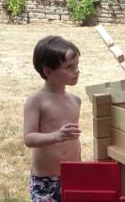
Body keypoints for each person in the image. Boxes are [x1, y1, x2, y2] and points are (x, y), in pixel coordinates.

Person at [24, 36, 82, 202]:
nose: (76, 70)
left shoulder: (75, 100)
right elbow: (29, 138)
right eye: (69, 67)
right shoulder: (37, 101)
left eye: (77, 64)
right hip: (45, 180)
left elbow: (73, 141)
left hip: (72, 175)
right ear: (48, 71)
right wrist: (56, 136)